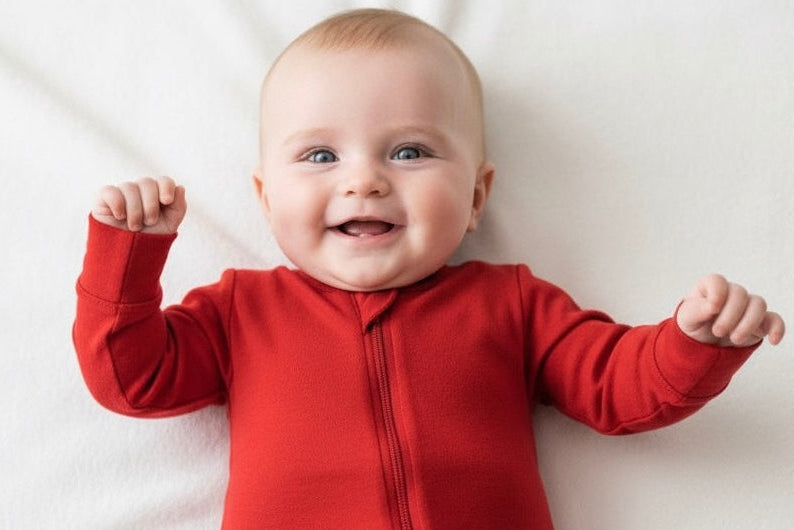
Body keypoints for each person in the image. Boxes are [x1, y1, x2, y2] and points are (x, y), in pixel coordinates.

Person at [73, 8, 785, 529]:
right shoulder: (240, 312)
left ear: (476, 196)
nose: (364, 182)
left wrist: (694, 344)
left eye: (409, 152)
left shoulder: (512, 304)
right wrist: (128, 257)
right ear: (265, 200)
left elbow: (617, 387)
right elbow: (133, 377)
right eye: (320, 156)